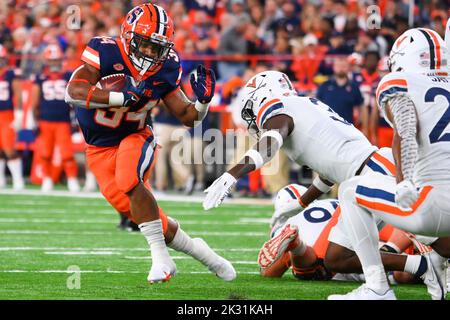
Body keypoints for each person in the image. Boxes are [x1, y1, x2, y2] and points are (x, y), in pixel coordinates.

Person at [201, 70, 447, 297]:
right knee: (337, 258)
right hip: (365, 173)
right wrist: (300, 203)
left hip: (376, 171)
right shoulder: (305, 106)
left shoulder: (279, 108)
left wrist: (231, 174)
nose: (253, 119)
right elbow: (330, 170)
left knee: (439, 235)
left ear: (261, 95)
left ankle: (402, 278)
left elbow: (272, 141)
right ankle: (423, 265)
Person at [65, 3, 235, 284]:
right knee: (148, 218)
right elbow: (74, 91)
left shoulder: (166, 67)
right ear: (129, 36)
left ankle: (160, 258)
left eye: (155, 47)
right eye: (143, 44)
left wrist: (203, 103)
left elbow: (188, 117)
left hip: (136, 135)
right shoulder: (105, 50)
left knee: (129, 179)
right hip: (98, 147)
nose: (147, 52)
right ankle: (205, 254)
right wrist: (121, 98)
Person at [327, 28, 450, 300]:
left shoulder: (400, 82)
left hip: (433, 204)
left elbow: (406, 126)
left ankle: (378, 287)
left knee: (349, 190)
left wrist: (403, 179)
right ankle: (438, 267)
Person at [260, 184, 449, 290]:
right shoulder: (327, 203)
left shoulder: (285, 222)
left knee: (312, 270)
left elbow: (268, 272)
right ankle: (414, 243)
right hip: (356, 221)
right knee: (399, 225)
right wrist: (391, 247)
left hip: (326, 249)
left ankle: (297, 246)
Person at [32, 44, 80, 192]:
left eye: (57, 60)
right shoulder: (40, 78)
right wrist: (34, 121)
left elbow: (75, 98)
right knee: (45, 153)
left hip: (63, 121)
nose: (54, 63)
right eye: (52, 60)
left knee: (67, 153)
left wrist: (75, 119)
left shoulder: (68, 76)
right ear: (47, 61)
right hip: (45, 120)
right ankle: (47, 178)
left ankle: (72, 179)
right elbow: (35, 102)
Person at [0, 44, 24, 190]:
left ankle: (18, 180)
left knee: (9, 148)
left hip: (7, 114)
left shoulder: (10, 74)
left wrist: (19, 115)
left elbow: (19, 96)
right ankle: (1, 180)